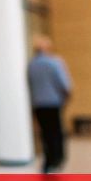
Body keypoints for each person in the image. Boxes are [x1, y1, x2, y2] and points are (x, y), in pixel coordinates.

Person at [26, 36, 72, 173]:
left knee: (45, 133)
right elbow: (64, 84)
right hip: (53, 103)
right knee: (56, 131)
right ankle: (57, 158)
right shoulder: (54, 63)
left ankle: (48, 160)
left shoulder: (31, 65)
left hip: (39, 104)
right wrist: (66, 97)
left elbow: (30, 84)